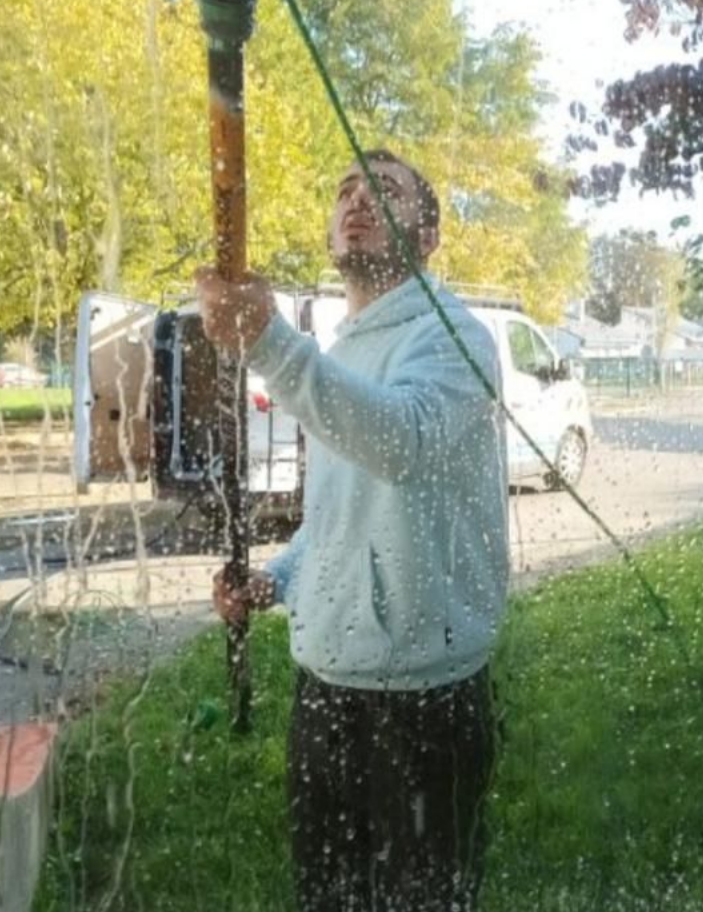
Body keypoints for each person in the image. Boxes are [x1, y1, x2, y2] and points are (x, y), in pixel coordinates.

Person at [196, 149, 509, 912]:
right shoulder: (339, 353)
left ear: (429, 237)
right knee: (327, 898)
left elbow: (400, 442)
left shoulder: (454, 337)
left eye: (386, 191)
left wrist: (267, 341)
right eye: (345, 192)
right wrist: (279, 578)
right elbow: (339, 518)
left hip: (423, 703)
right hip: (325, 689)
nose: (358, 202)